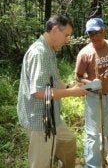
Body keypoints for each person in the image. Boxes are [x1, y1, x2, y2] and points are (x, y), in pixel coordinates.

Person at [17, 14, 88, 168]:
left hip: (51, 116)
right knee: (41, 163)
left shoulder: (49, 50)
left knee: (69, 143)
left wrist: (71, 87)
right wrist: (72, 93)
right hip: (41, 120)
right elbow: (39, 92)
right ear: (55, 30)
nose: (67, 39)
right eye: (66, 35)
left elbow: (53, 80)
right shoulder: (39, 53)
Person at [75, 17, 108, 168]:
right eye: (90, 34)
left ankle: (102, 159)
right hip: (93, 97)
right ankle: (91, 166)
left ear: (104, 31)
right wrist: (90, 84)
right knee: (92, 134)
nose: (94, 37)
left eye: (97, 33)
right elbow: (77, 77)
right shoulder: (85, 53)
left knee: (105, 131)